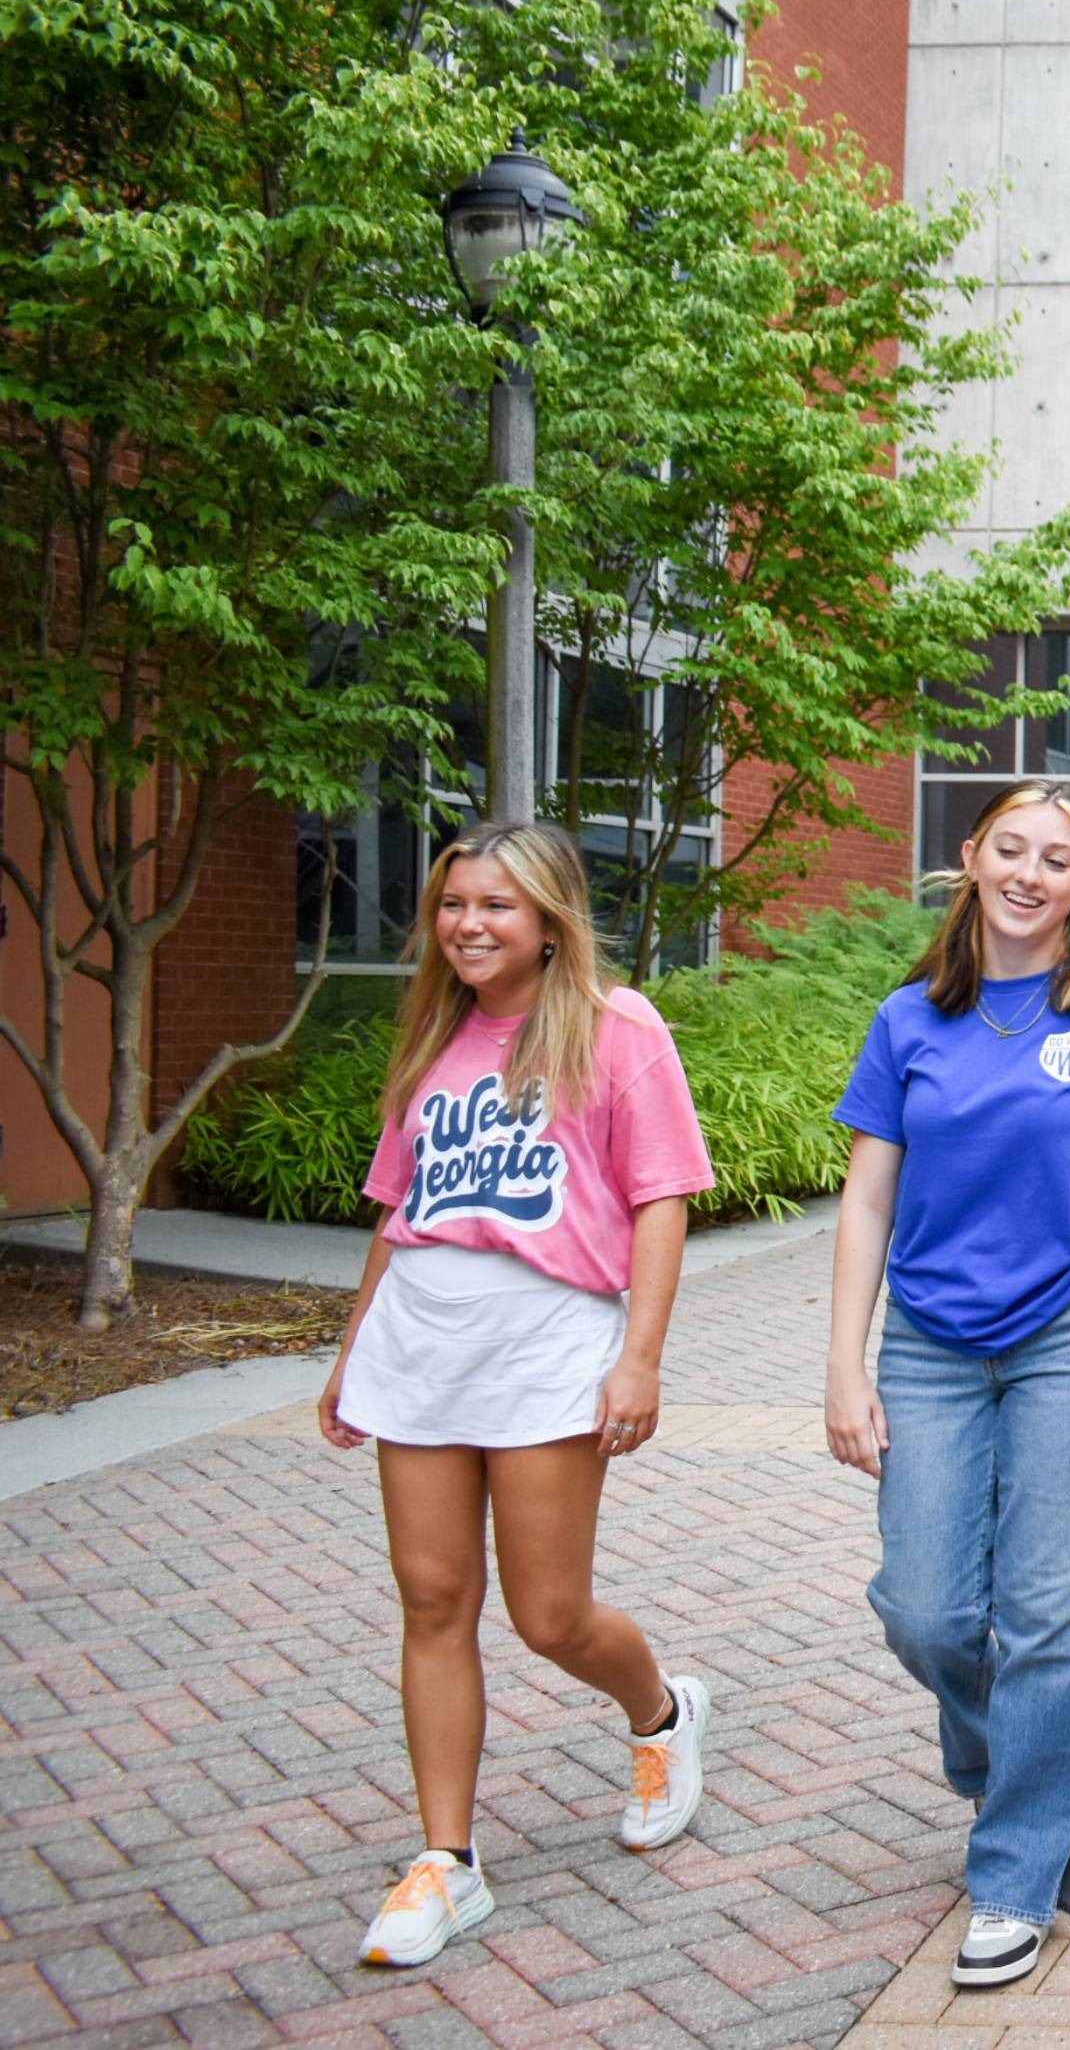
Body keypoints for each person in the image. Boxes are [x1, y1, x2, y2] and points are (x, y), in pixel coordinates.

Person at [320, 819, 718, 1969]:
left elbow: (660, 1198)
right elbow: (400, 1212)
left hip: (547, 1343)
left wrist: (640, 1356)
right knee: (432, 1599)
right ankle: (446, 1862)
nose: (469, 924)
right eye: (453, 904)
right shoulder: (432, 1036)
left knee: (549, 1616)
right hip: (420, 1342)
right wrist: (353, 1350)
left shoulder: (615, 1027)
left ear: (549, 920)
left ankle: (662, 1713)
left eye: (496, 905)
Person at [823, 783, 1070, 1991]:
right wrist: (843, 1363)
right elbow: (866, 1197)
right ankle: (1007, 1760)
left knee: (1049, 1621)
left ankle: (1016, 1876)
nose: (1031, 874)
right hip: (927, 1344)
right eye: (1012, 850)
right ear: (972, 858)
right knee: (924, 1611)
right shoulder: (908, 1017)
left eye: (1059, 858)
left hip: (1068, 1334)